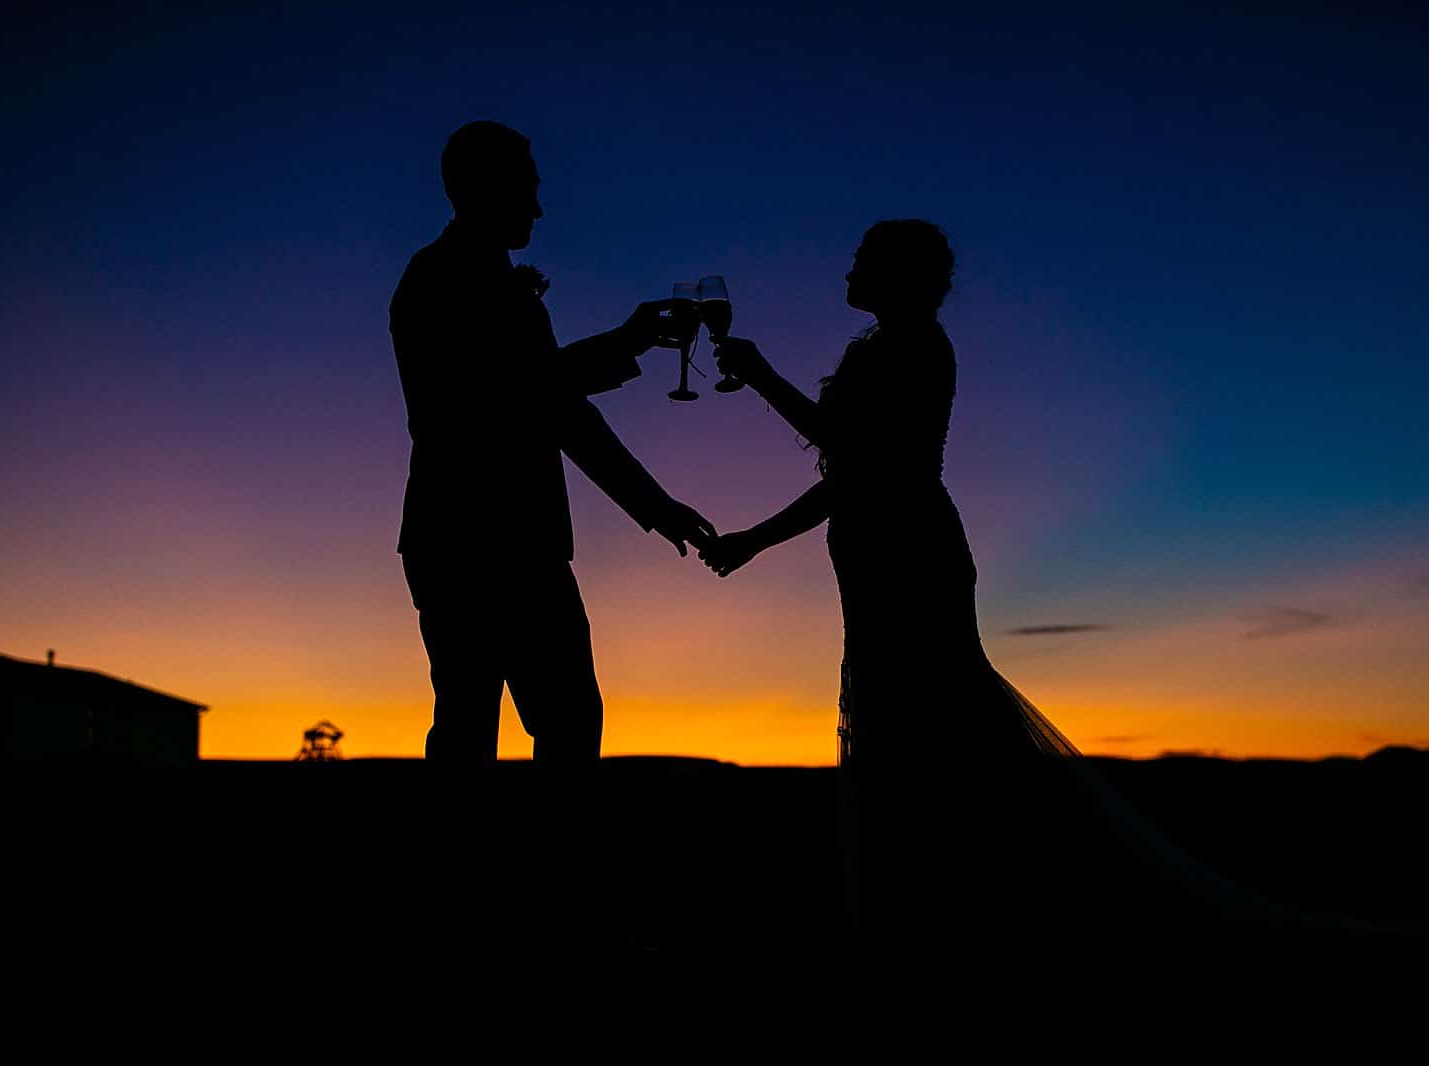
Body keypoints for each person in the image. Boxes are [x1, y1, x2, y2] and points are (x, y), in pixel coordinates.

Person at [700, 221, 1272, 947]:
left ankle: (969, 904)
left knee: (933, 717)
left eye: (862, 260)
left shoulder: (919, 347)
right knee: (896, 717)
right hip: (872, 551)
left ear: (897, 274)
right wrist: (757, 539)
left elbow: (864, 456)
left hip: (911, 553)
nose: (847, 269)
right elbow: (850, 478)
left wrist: (759, 377)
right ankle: (928, 900)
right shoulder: (874, 346)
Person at [389, 121, 716, 767]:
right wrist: (628, 341)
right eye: (527, 190)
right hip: (487, 540)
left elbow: (550, 405)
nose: (539, 208)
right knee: (527, 725)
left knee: (496, 723)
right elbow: (528, 399)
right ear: (484, 188)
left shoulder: (477, 279)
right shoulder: (444, 278)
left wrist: (656, 506)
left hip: (469, 540)